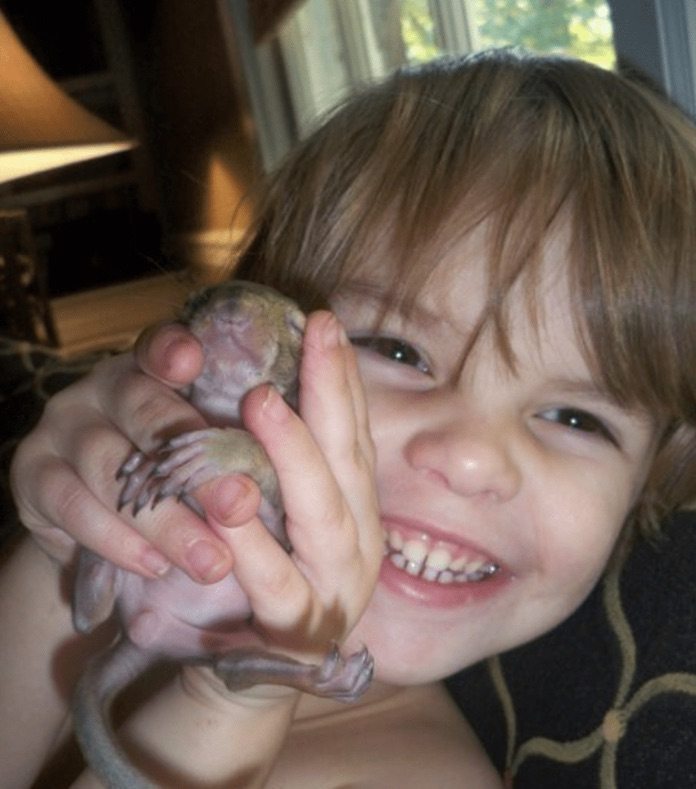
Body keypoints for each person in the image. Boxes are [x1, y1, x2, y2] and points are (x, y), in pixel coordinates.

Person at [4, 47, 696, 787]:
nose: (469, 456)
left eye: (576, 417)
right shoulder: (126, 596)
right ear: (266, 343)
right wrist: (69, 541)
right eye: (400, 350)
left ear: (646, 489)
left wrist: (235, 699)